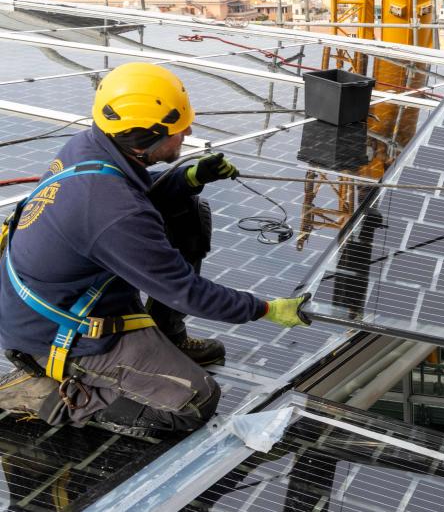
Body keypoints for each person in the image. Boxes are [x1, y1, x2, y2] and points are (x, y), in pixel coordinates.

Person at [0, 62, 312, 437]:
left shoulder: (92, 144)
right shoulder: (113, 211)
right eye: (178, 129)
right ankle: (49, 395)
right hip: (55, 331)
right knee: (193, 402)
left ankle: (168, 334)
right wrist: (263, 309)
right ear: (145, 138)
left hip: (66, 294)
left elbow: (125, 193)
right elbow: (186, 292)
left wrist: (187, 177)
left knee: (188, 211)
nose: (189, 132)